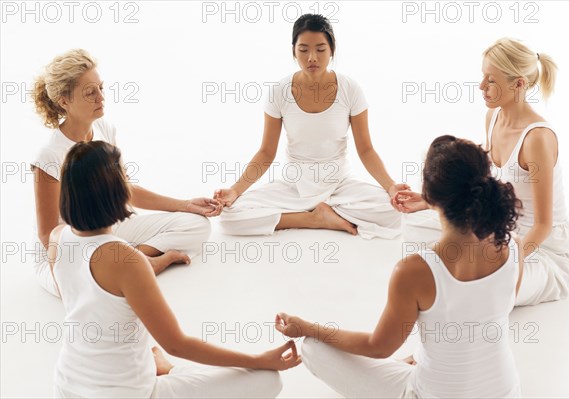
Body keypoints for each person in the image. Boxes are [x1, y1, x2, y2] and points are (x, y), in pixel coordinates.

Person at [276, 135, 524, 398]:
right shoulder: (514, 247)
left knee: (314, 347)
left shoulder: (415, 270)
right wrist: (434, 199)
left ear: (431, 193)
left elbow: (378, 347)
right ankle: (414, 363)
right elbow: (474, 316)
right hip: (505, 391)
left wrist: (307, 327)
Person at [48, 141, 300, 398]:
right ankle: (170, 371)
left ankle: (161, 368)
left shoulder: (57, 238)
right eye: (125, 177)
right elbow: (177, 344)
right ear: (114, 190)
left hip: (67, 387)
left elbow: (89, 311)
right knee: (268, 380)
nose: (129, 184)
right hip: (130, 393)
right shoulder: (126, 260)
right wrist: (259, 360)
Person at [396, 38, 569, 306]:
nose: (482, 86)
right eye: (483, 76)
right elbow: (484, 184)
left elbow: (543, 225)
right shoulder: (493, 117)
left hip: (543, 252)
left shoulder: (538, 139)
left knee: (492, 290)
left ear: (518, 84)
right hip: (502, 229)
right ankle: (474, 270)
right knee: (414, 225)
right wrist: (431, 202)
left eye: (491, 80)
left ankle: (478, 274)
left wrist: (508, 262)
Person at [31, 49, 220, 297]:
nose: (101, 97)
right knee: (78, 288)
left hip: (110, 228)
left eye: (101, 88)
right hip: (70, 245)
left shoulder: (104, 129)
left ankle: (131, 263)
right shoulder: (49, 156)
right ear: (64, 101)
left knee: (197, 225)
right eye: (90, 93)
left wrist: (185, 205)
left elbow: (124, 190)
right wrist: (82, 255)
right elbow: (47, 234)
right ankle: (140, 264)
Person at [214, 14, 407, 239]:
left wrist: (391, 186)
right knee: (230, 217)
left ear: (332, 50)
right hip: (294, 183)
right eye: (304, 49)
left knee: (393, 212)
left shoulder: (350, 89)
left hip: (338, 183)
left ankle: (325, 210)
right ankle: (314, 217)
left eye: (321, 49)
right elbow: (266, 152)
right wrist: (235, 191)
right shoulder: (279, 91)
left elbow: (366, 150)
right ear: (293, 50)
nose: (312, 57)